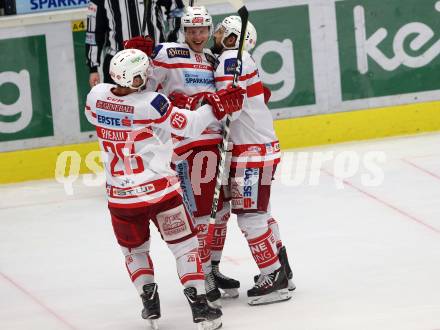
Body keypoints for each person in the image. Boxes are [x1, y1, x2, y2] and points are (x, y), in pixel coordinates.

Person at [84, 48, 244, 329]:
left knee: (134, 251)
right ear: (135, 78)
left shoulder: (96, 97)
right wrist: (217, 107)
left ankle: (149, 303)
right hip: (160, 193)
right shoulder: (151, 103)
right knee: (185, 246)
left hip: (120, 198)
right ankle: (200, 307)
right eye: (143, 73)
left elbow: (103, 108)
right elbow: (190, 126)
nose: (148, 75)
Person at [143, 6, 241, 306]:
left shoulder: (214, 59)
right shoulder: (167, 53)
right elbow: (144, 90)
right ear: (183, 31)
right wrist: (172, 101)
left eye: (201, 30)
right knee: (200, 214)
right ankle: (201, 278)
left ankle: (212, 268)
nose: (197, 36)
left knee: (221, 212)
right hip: (188, 144)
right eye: (191, 31)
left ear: (210, 31)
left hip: (217, 141)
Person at [210, 15, 295, 305]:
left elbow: (224, 108)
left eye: (221, 31)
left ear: (234, 38)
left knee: (250, 217)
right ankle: (283, 268)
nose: (215, 34)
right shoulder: (241, 59)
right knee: (263, 213)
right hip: (262, 147)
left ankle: (273, 276)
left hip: (251, 152)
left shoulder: (230, 61)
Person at [85, 0, 184, 87]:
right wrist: (93, 69)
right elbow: (93, 31)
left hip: (155, 61)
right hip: (118, 64)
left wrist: (174, 43)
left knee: (158, 105)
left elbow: (176, 8)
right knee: (121, 106)